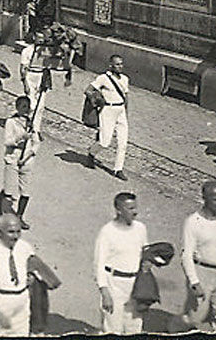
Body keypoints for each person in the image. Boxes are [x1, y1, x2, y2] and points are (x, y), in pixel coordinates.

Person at [174, 182, 216, 332]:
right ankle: (174, 329)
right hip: (202, 272)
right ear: (204, 198)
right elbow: (186, 255)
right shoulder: (193, 222)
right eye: (215, 199)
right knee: (195, 316)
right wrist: (194, 282)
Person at [94, 192, 149, 334]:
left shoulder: (140, 228)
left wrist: (150, 260)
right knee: (112, 328)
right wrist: (104, 291)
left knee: (134, 327)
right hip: (114, 284)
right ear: (119, 210)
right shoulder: (107, 232)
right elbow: (99, 264)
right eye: (130, 209)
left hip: (135, 284)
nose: (135, 212)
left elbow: (145, 252)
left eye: (135, 207)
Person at [86, 55, 130, 181]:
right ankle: (91, 153)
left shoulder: (125, 79)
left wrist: (126, 112)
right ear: (111, 65)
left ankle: (118, 169)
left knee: (123, 142)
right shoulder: (103, 78)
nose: (120, 66)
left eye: (121, 64)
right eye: (117, 64)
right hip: (108, 110)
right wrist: (97, 100)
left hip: (120, 111)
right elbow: (88, 90)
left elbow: (126, 96)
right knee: (105, 142)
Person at [1, 96, 39, 229]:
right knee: (9, 190)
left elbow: (36, 142)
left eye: (27, 107)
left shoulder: (31, 123)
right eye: (22, 107)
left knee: (26, 191)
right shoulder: (11, 122)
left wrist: (29, 155)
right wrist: (21, 137)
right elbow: (7, 141)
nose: (25, 110)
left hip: (27, 160)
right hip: (13, 157)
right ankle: (4, 212)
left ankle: (19, 217)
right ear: (17, 108)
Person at [19, 30, 48, 135]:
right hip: (30, 75)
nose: (41, 40)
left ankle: (37, 129)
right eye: (39, 38)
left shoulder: (46, 51)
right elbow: (22, 68)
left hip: (41, 76)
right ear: (34, 38)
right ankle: (28, 125)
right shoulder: (27, 51)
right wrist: (25, 83)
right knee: (31, 105)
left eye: (42, 38)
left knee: (40, 106)